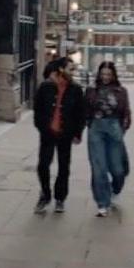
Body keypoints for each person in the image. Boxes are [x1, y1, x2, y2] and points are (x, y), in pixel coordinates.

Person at [32, 57, 86, 214]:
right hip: (48, 133)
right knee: (43, 165)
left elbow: (80, 113)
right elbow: (38, 109)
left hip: (66, 133)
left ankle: (60, 198)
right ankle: (45, 194)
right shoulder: (46, 86)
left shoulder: (75, 89)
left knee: (63, 166)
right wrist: (41, 126)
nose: (73, 71)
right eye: (70, 68)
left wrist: (78, 132)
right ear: (61, 69)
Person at [85, 61, 132, 217]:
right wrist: (85, 126)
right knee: (99, 169)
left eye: (108, 74)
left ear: (113, 75)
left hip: (114, 129)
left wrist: (122, 129)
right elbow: (85, 110)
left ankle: (115, 189)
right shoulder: (91, 90)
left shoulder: (121, 91)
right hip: (96, 129)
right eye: (103, 74)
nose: (105, 77)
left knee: (118, 169)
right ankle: (102, 203)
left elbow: (126, 112)